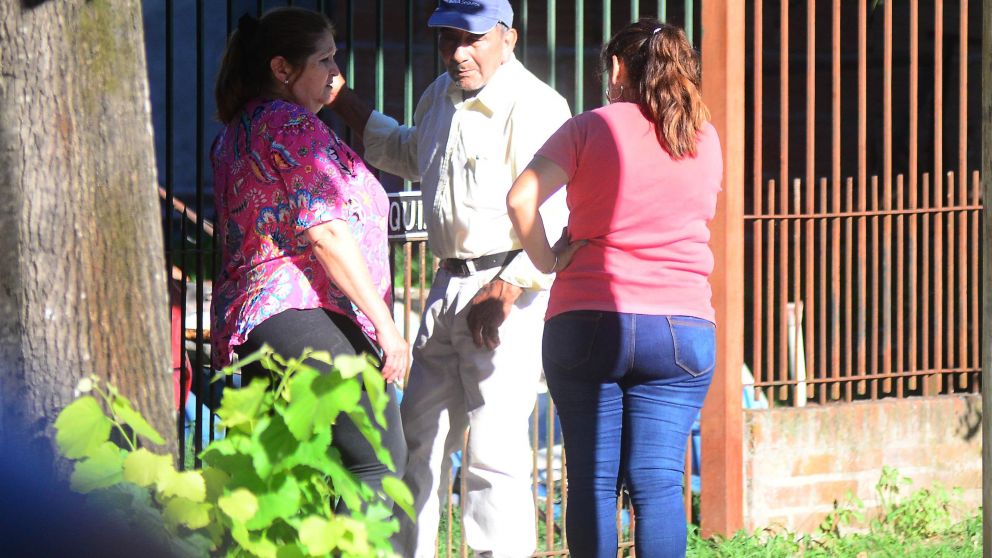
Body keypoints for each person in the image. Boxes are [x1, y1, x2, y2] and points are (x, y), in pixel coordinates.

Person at [329, 1, 571, 555]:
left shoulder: (536, 105)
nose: (457, 52)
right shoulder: (439, 94)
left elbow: (555, 212)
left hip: (507, 289)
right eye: (446, 39)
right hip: (447, 285)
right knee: (418, 442)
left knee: (494, 453)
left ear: (507, 38)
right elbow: (407, 151)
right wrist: (340, 98)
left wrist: (507, 289)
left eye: (472, 38)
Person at [506, 19, 722, 558]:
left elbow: (520, 200)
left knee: (593, 483)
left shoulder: (590, 127)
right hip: (682, 329)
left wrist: (550, 258)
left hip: (588, 320)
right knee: (657, 485)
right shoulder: (704, 137)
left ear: (619, 68)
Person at [209, 7, 408, 512]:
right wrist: (386, 327)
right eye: (324, 60)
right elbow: (326, 233)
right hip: (300, 309)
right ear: (282, 69)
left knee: (290, 480)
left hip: (262, 324)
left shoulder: (241, 127)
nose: (336, 75)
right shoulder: (290, 125)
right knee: (378, 459)